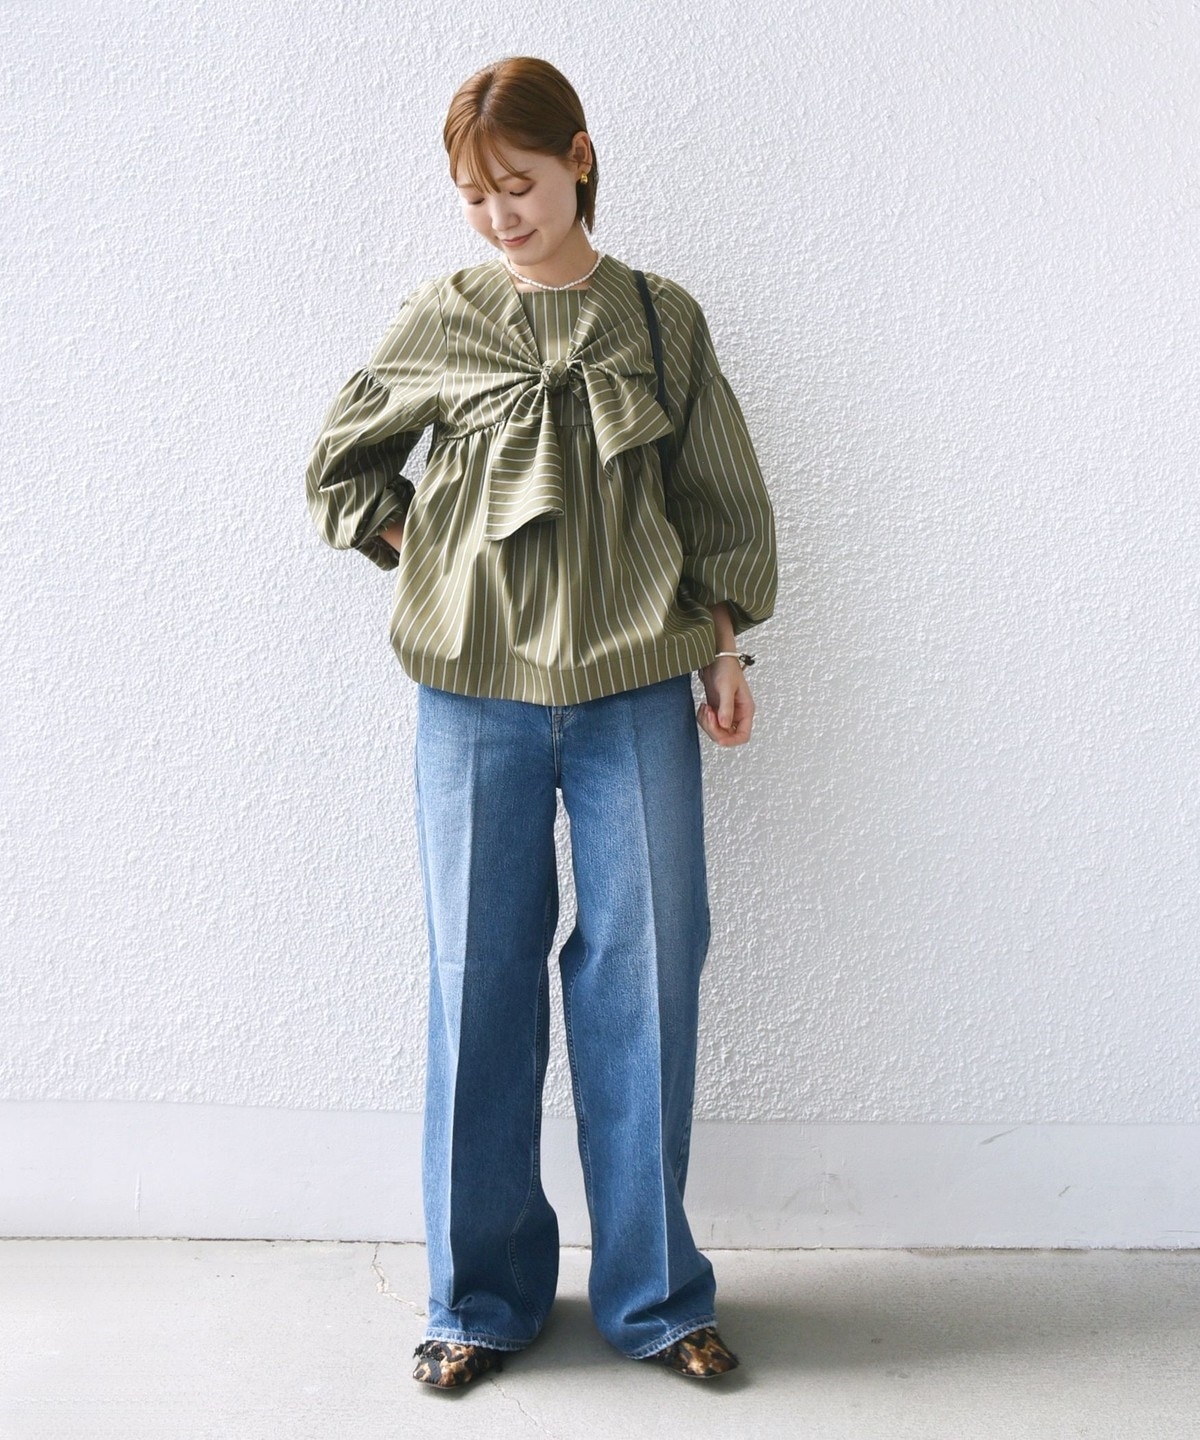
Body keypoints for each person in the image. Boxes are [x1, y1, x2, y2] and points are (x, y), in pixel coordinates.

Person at [305, 56, 778, 1390]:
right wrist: (431, 553)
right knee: (478, 981)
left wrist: (724, 648)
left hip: (637, 689)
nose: (498, 216)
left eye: (515, 184)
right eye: (474, 195)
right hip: (474, 699)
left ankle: (656, 1298)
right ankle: (478, 1299)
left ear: (577, 157)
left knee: (650, 976)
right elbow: (341, 466)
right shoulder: (445, 316)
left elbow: (718, 499)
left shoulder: (661, 319)